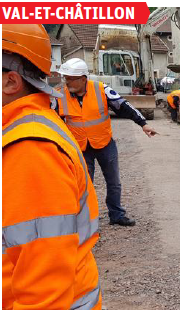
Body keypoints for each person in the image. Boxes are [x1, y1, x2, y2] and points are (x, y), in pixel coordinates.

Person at [3, 24, 102, 309]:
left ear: (11, 82)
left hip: (100, 144)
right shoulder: (23, 129)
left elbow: (43, 293)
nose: (70, 82)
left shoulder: (29, 149)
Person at [55, 58, 158, 227]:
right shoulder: (59, 94)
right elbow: (52, 120)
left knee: (114, 182)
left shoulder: (102, 89)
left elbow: (124, 106)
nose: (67, 82)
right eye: (66, 78)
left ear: (83, 78)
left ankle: (116, 215)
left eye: (71, 78)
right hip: (80, 148)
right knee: (84, 186)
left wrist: (143, 124)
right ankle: (86, 220)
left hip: (104, 144)